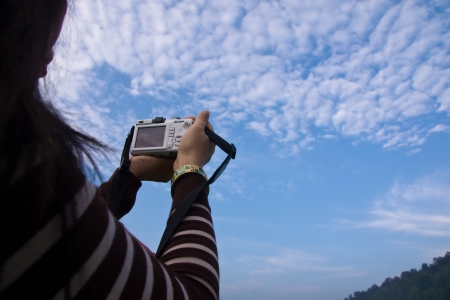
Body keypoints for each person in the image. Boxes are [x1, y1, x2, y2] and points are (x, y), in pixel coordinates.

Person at [0, 0, 219, 299]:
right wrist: (189, 168)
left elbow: (74, 232)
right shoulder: (17, 158)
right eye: (44, 33)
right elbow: (195, 294)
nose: (48, 58)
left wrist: (130, 175)